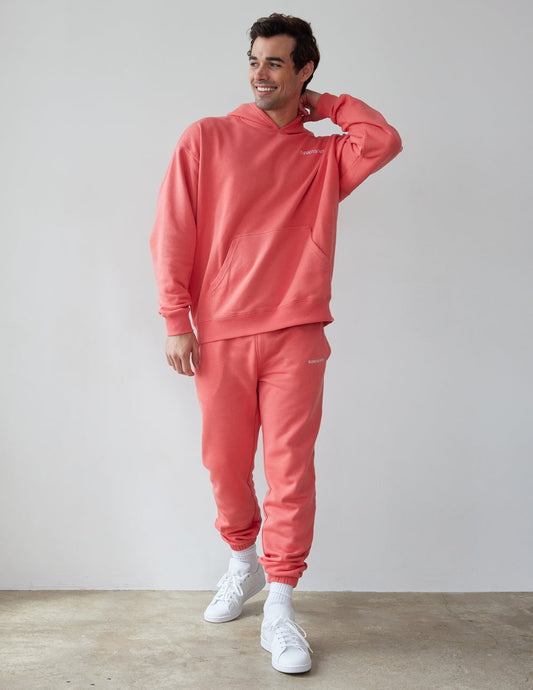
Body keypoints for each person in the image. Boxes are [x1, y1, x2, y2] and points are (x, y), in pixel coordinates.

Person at [150, 13, 402, 675]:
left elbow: (382, 139)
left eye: (276, 63)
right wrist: (176, 318)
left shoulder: (325, 154)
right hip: (221, 333)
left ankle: (282, 604)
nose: (260, 74)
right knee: (224, 464)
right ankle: (243, 561)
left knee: (290, 469)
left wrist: (324, 105)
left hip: (297, 332)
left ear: (304, 71)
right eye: (254, 61)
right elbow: (173, 230)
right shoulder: (206, 137)